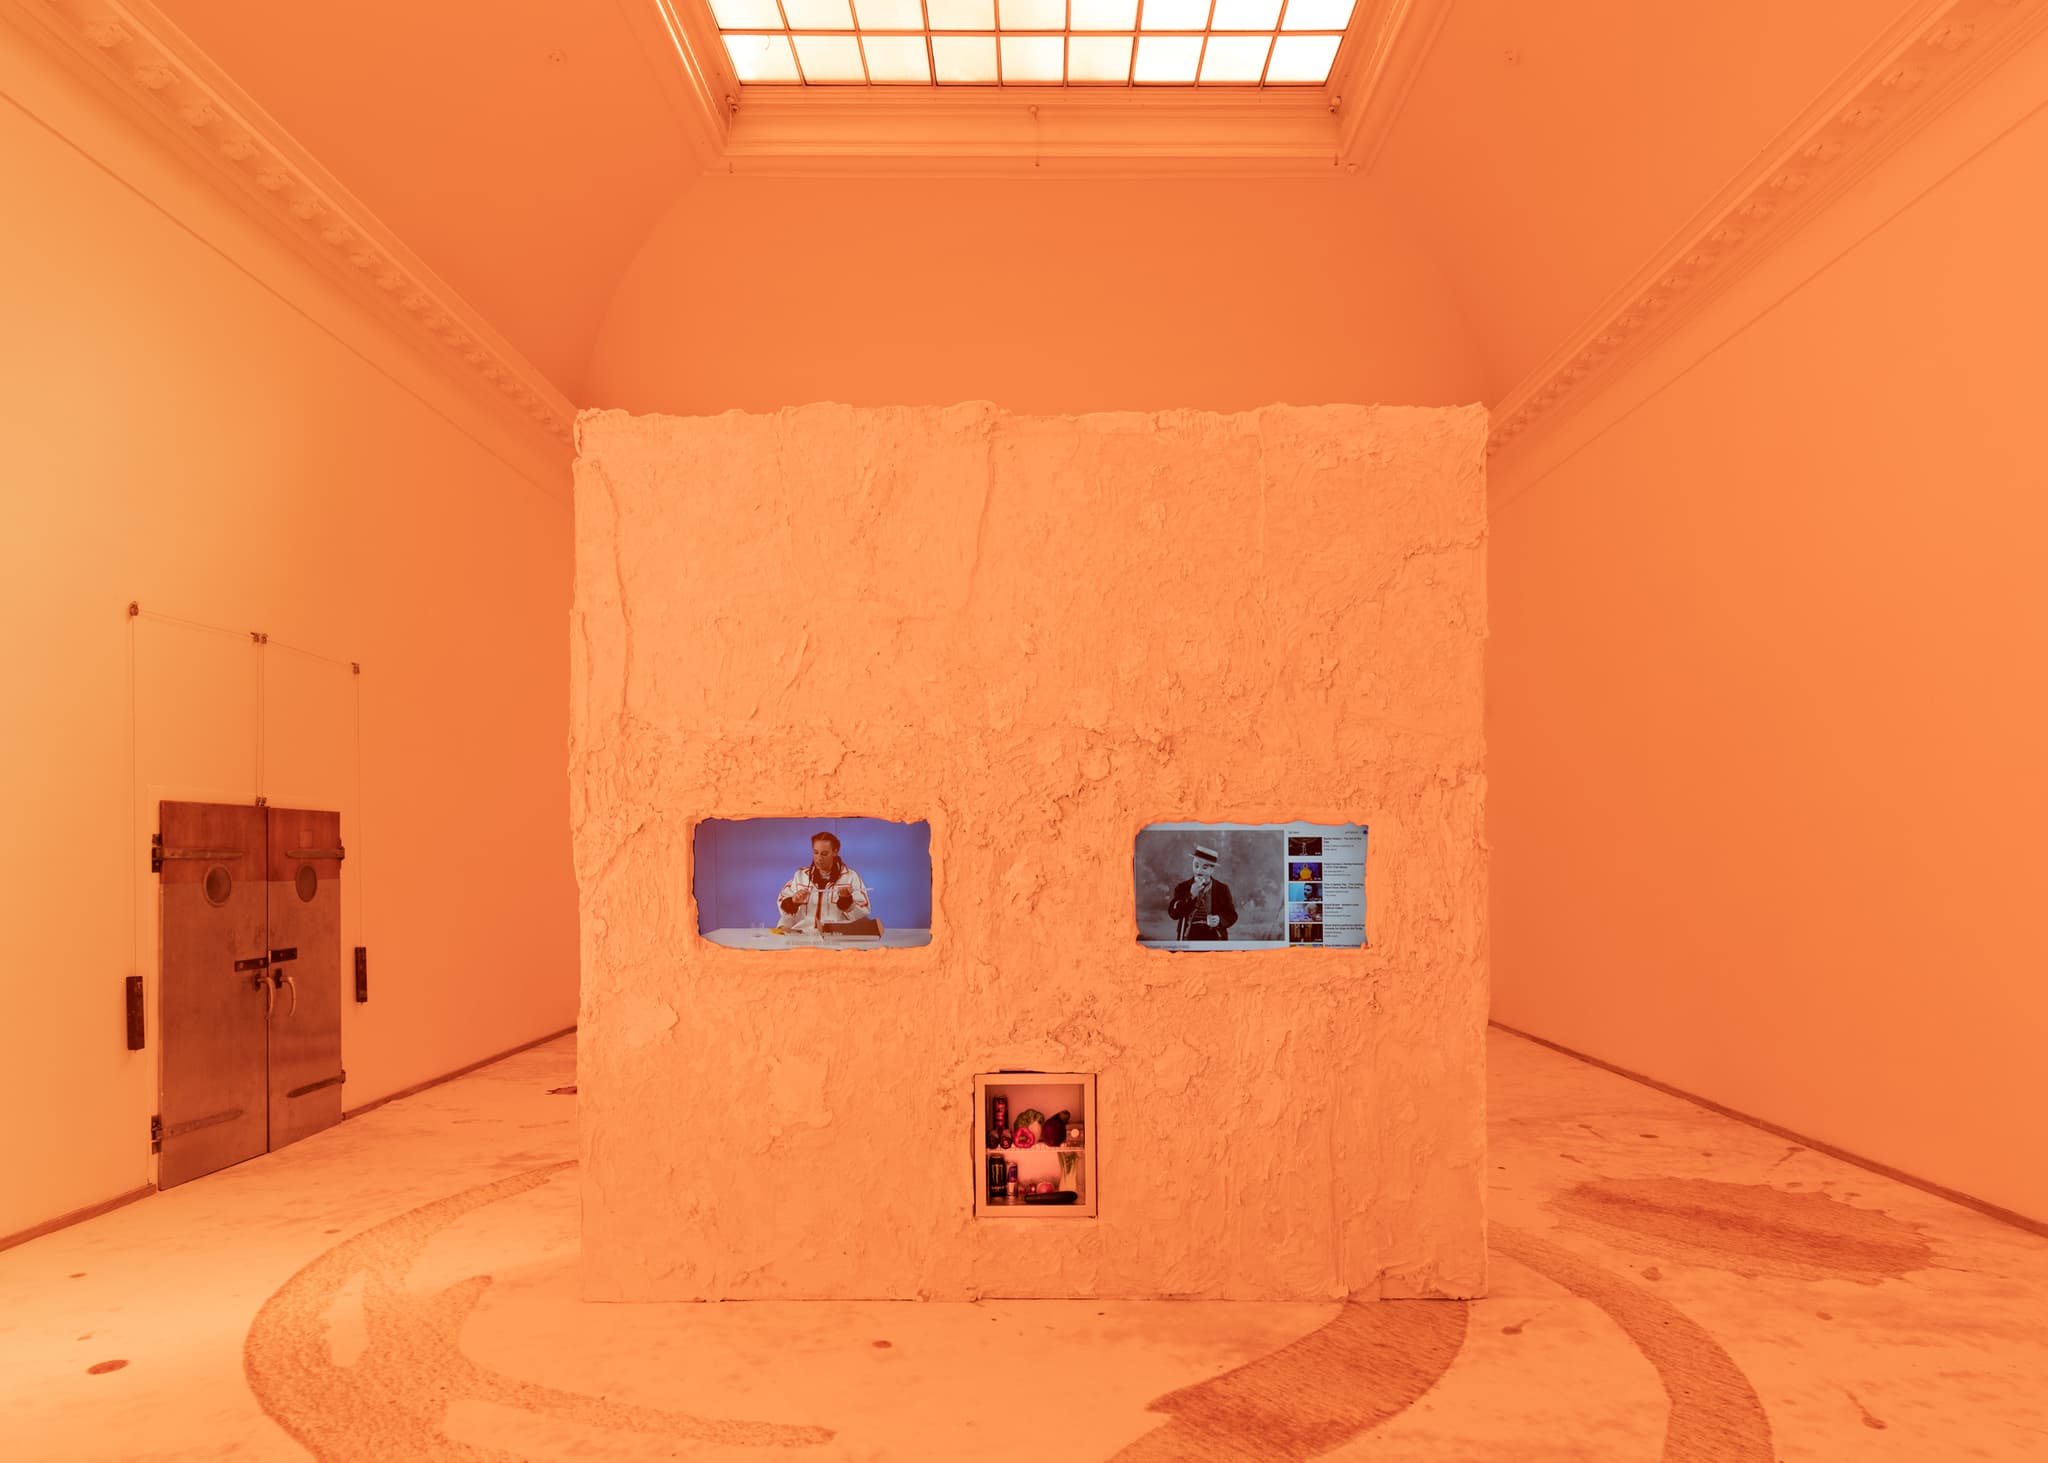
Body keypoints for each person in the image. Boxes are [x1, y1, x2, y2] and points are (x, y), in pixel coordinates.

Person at [775, 831, 873, 933]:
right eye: (815, 852)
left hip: (836, 936)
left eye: (824, 854)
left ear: (835, 852)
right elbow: (784, 908)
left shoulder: (850, 877)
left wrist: (846, 901)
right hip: (803, 935)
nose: (819, 858)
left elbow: (863, 913)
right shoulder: (801, 876)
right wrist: (793, 902)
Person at [1167, 843, 1237, 940]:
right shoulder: (1183, 887)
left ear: (1212, 870)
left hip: (1214, 935)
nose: (1198, 870)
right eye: (1196, 866)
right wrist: (1191, 895)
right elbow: (1173, 914)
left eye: (1204, 868)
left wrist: (1219, 920)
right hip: (1189, 934)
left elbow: (1232, 915)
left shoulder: (1222, 889)